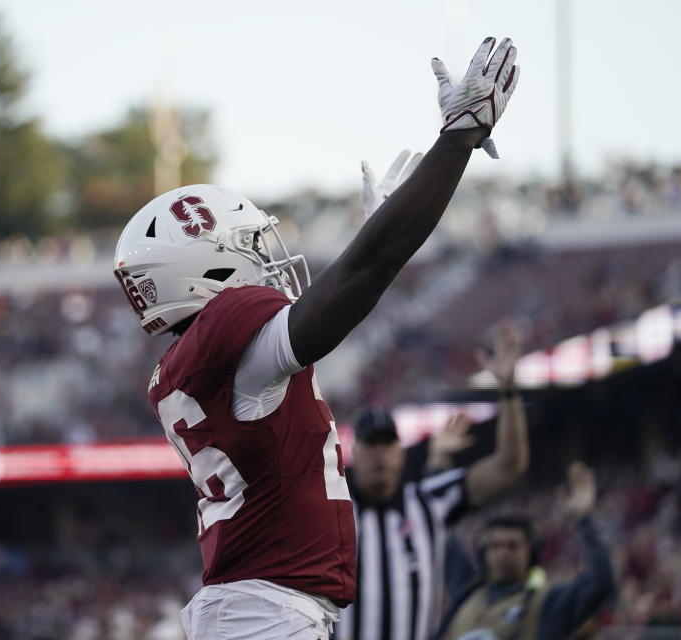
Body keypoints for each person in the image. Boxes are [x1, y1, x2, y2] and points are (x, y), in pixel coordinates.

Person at [114, 36, 520, 640]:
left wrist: (386, 227)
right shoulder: (235, 350)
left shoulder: (214, 360)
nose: (266, 261)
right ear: (207, 268)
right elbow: (364, 272)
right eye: (248, 247)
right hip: (266, 616)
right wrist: (456, 140)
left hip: (262, 612)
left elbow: (352, 284)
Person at [336, 321, 529, 640]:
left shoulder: (429, 502)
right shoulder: (332, 511)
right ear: (356, 452)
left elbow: (509, 465)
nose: (380, 454)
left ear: (400, 453)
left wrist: (508, 390)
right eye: (371, 445)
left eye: (387, 445)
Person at [434, 462, 616, 640]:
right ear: (483, 554)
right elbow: (440, 528)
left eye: (513, 546)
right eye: (495, 546)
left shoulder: (549, 605)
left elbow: (601, 582)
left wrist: (584, 519)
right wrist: (438, 462)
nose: (503, 553)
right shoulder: (466, 590)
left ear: (531, 554)